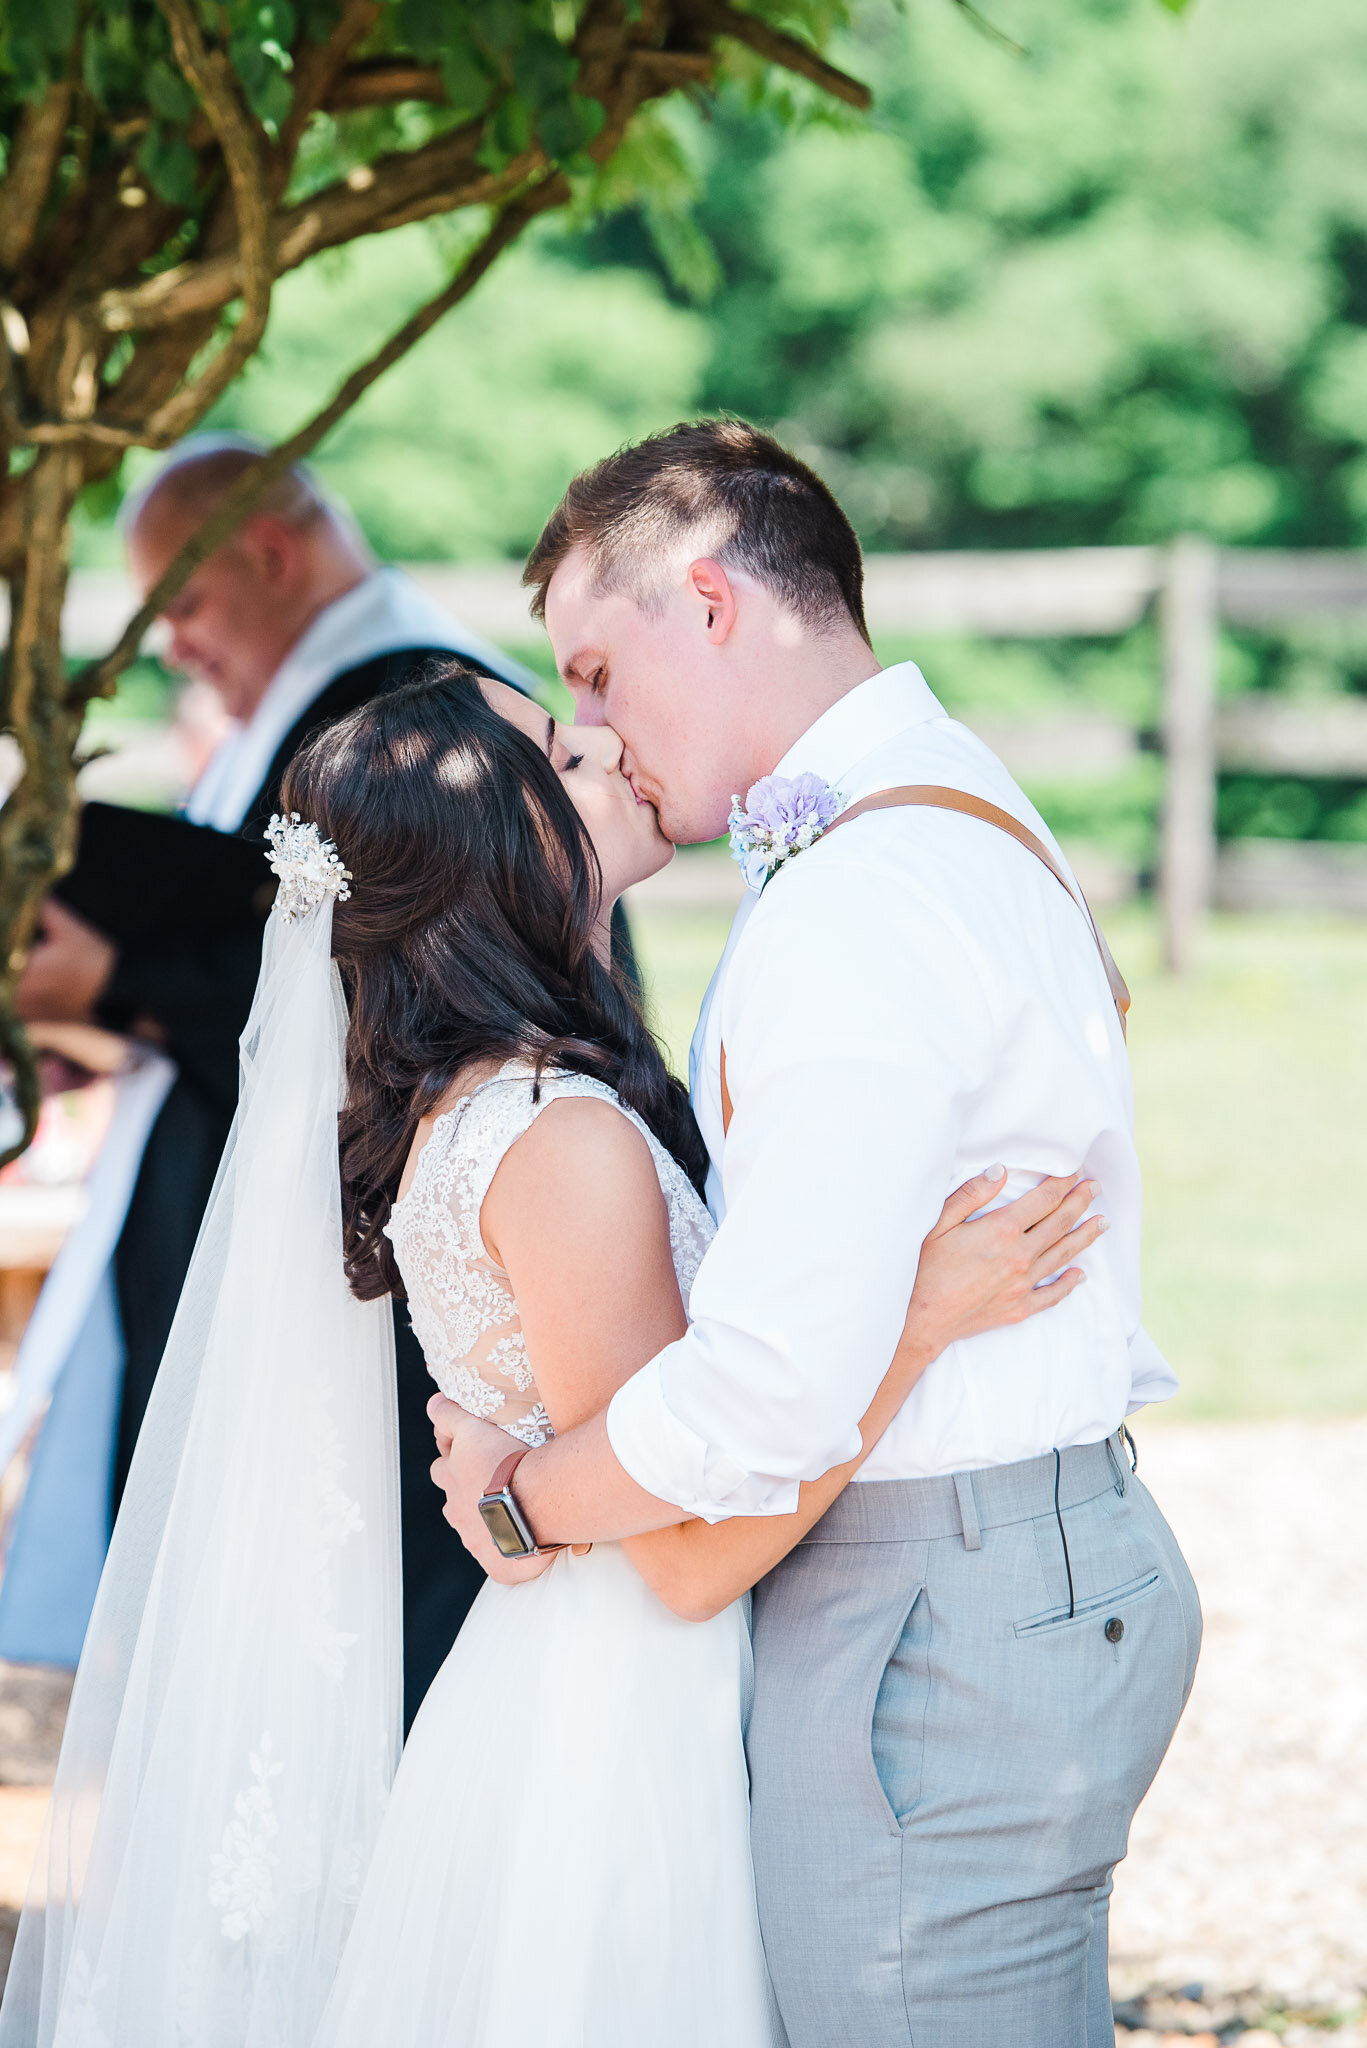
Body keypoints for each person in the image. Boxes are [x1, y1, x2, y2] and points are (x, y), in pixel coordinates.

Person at [0, 669, 1099, 2048]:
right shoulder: (550, 1133)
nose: (604, 747)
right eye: (561, 759)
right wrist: (915, 1322)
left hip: (587, 1685)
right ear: (502, 850)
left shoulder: (503, 1097)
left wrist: (519, 1492)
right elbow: (689, 1561)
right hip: (623, 1731)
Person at [432, 419, 1203, 2048]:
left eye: (591, 668)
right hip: (1013, 1570)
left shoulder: (855, 894)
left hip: (932, 1616)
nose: (588, 727)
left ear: (706, 602)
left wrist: (525, 1492)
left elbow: (771, 1387)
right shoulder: (956, 800)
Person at [2, 436, 534, 1712]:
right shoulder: (324, 702)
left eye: (178, 603)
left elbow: (386, 983)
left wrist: (116, 983)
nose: (171, 646)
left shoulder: (401, 706)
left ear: (271, 553)